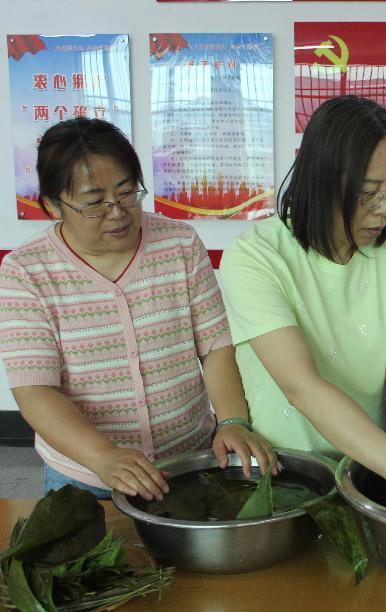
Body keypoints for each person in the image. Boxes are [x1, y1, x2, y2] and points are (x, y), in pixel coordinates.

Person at [0, 118, 274, 501]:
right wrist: (103, 457)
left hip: (189, 459)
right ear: (53, 205)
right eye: (94, 202)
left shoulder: (179, 244)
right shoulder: (26, 272)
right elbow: (36, 390)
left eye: (127, 193)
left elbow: (215, 346)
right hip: (86, 477)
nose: (117, 212)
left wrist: (231, 420)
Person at [220, 96, 386, 522]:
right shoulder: (255, 256)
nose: (384, 209)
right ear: (321, 180)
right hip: (287, 468)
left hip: (373, 460)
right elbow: (301, 384)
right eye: (367, 193)